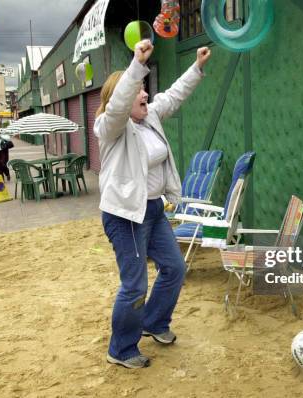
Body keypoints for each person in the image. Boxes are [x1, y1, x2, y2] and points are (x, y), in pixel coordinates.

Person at [94, 39, 211, 369]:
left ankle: (154, 322)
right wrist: (136, 65)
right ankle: (121, 348)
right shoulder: (111, 127)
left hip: (154, 210)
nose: (145, 94)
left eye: (145, 89)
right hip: (125, 216)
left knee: (175, 268)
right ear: (122, 98)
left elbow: (173, 95)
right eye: (138, 91)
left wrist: (197, 67)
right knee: (134, 286)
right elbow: (117, 107)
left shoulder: (149, 118)